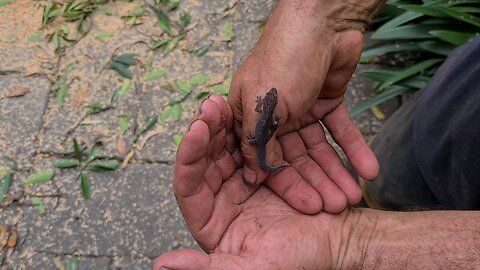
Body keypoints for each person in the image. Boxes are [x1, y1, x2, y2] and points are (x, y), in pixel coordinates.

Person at [153, 0, 480, 268]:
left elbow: (266, 118)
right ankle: (364, 204)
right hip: (455, 104)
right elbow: (267, 112)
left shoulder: (268, 113)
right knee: (387, 178)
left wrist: (358, 247)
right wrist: (325, 15)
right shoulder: (268, 110)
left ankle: (357, 214)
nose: (267, 102)